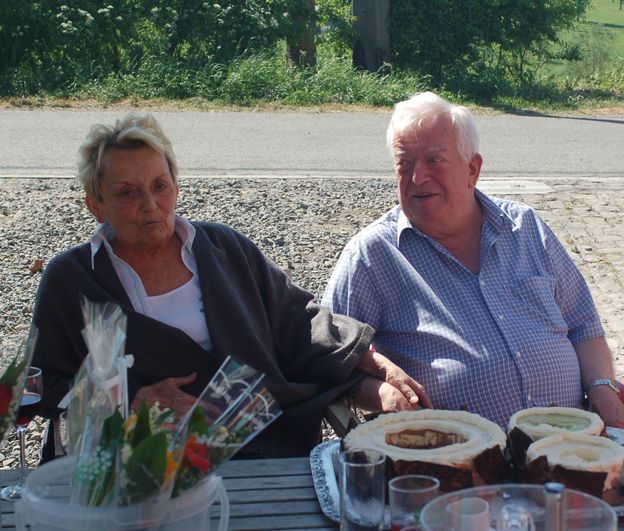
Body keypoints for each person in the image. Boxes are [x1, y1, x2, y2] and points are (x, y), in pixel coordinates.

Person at [32, 113, 428, 460]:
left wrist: (374, 365)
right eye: (127, 193)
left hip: (254, 446)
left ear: (176, 187)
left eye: (160, 185)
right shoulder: (72, 280)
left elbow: (297, 322)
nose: (150, 204)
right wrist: (127, 402)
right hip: (132, 461)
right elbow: (42, 385)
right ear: (96, 204)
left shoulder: (223, 248)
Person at [322, 92, 624, 433]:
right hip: (455, 458)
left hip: (570, 447)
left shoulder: (525, 227)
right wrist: (383, 392)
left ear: (472, 168)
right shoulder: (373, 255)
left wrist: (603, 390)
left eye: (434, 160)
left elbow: (584, 327)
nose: (418, 177)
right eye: (405, 163)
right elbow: (327, 358)